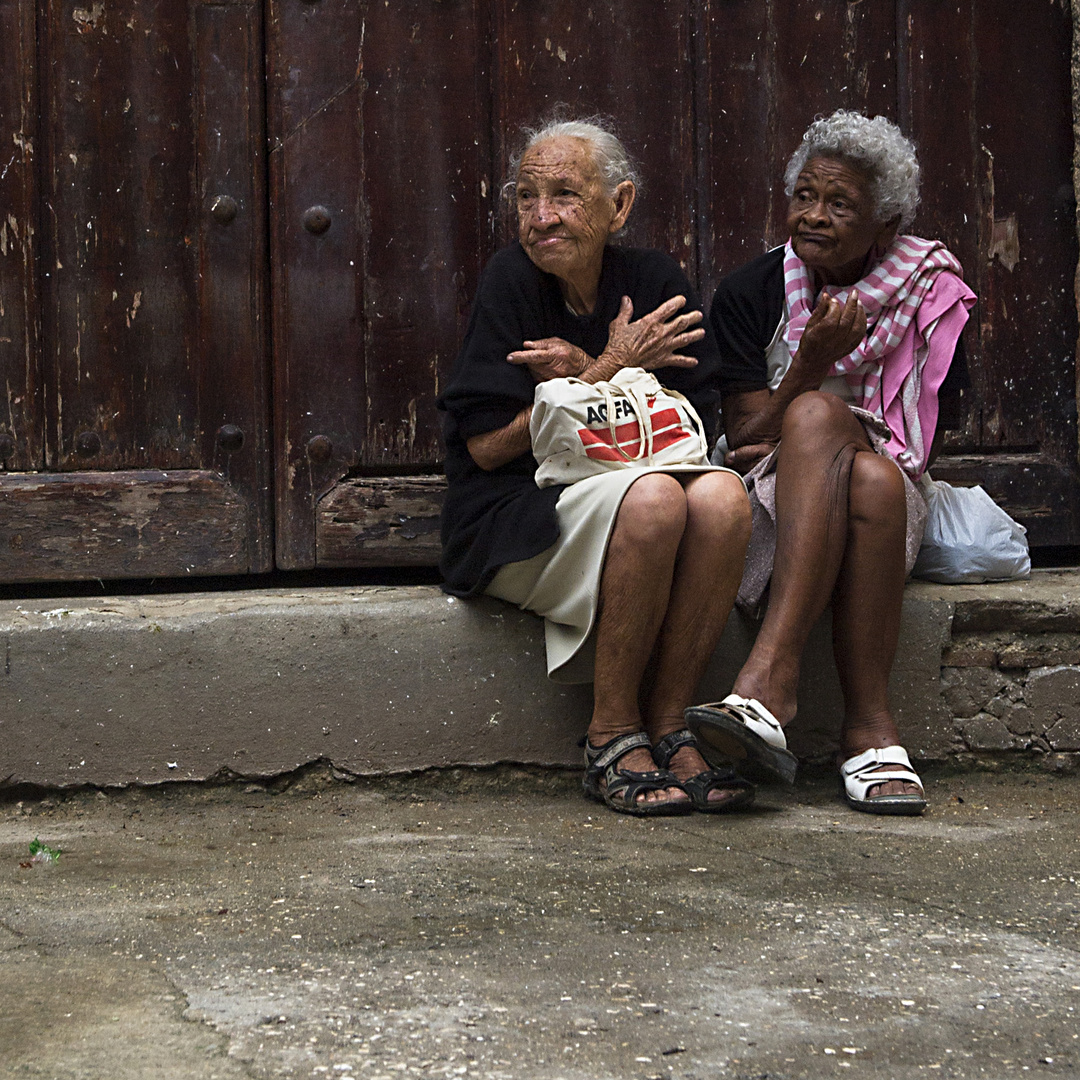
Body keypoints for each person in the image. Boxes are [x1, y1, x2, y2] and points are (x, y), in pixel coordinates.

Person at [438, 117, 752, 817]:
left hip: (629, 494)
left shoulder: (653, 280)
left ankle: (669, 725)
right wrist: (611, 368)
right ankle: (610, 732)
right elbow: (487, 447)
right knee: (656, 501)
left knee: (727, 498)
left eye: (564, 195)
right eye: (525, 196)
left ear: (620, 205)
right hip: (515, 512)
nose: (541, 216)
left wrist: (582, 373)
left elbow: (696, 423)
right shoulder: (511, 281)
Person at [687, 110, 976, 815]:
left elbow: (917, 442)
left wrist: (805, 416)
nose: (813, 217)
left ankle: (768, 682)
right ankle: (871, 731)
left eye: (839, 204)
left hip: (890, 483)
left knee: (865, 464)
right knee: (822, 421)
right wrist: (809, 366)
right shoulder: (753, 292)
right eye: (805, 197)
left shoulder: (932, 296)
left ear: (886, 225)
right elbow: (746, 438)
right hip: (775, 497)